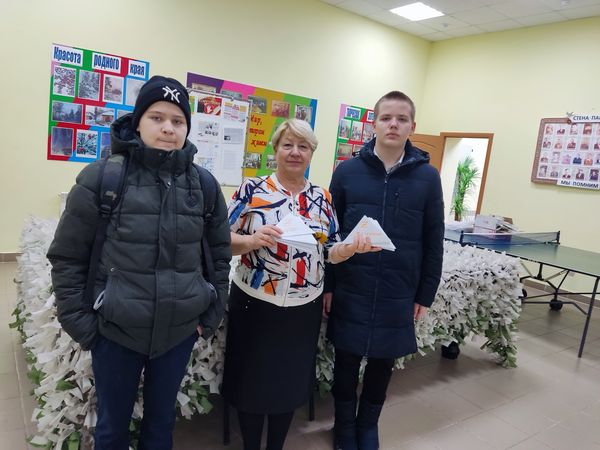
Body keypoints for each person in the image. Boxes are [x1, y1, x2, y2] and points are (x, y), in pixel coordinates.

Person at [47, 76, 232, 450]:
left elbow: (219, 257)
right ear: (137, 123)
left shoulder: (204, 186)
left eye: (178, 120)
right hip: (115, 333)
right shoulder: (102, 178)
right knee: (112, 429)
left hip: (178, 333)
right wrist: (85, 327)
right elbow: (67, 256)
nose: (168, 128)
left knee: (161, 426)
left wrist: (207, 318)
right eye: (156, 117)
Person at [222, 119, 379, 450]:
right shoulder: (252, 190)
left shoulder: (322, 197)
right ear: (275, 150)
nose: (295, 152)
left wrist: (347, 249)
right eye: (288, 145)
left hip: (303, 307)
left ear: (311, 153)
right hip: (255, 301)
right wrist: (251, 241)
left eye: (303, 146)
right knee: (252, 382)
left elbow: (329, 249)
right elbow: (219, 239)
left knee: (288, 383)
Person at [325, 91, 444, 450]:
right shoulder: (347, 172)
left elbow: (433, 239)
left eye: (401, 119)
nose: (393, 124)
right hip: (352, 284)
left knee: (381, 364)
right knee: (346, 362)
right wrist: (328, 285)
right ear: (374, 124)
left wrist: (425, 293)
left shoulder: (428, 178)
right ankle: (344, 426)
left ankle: (367, 426)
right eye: (386, 118)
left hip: (398, 288)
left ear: (412, 126)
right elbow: (329, 233)